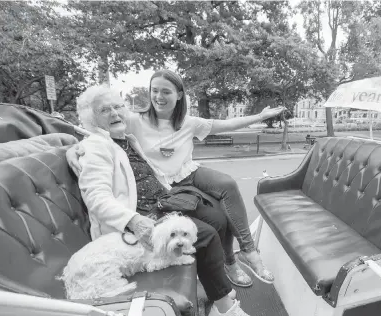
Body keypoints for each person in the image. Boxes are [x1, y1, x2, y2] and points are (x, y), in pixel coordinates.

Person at [68, 69, 285, 287]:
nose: (159, 97)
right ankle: (223, 269)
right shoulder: (132, 120)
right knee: (214, 218)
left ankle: (246, 252)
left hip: (184, 175)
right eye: (154, 91)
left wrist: (259, 116)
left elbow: (224, 125)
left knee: (226, 189)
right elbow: (96, 132)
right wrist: (72, 148)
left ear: (179, 95)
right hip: (166, 185)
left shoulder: (188, 122)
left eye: (166, 92)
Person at [74, 85, 250, 316]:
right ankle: (225, 307)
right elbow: (96, 196)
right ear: (91, 119)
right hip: (141, 213)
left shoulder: (126, 139)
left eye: (118, 106)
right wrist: (134, 221)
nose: (115, 113)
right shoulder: (95, 146)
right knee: (206, 236)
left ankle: (210, 284)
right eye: (105, 110)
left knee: (217, 216)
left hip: (163, 201)